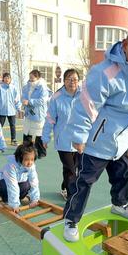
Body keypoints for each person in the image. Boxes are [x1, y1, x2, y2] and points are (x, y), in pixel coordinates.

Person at [62, 19, 128, 242]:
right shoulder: (105, 73)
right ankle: (71, 219)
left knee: (124, 171)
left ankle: (119, 204)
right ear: (126, 45)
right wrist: (79, 136)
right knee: (84, 181)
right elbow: (85, 105)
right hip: (98, 142)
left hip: (121, 141)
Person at [42, 69, 81, 201]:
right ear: (64, 81)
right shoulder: (56, 97)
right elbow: (50, 119)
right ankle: (71, 195)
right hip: (63, 140)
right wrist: (45, 137)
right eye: (69, 79)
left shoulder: (83, 95)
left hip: (80, 140)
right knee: (70, 169)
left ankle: (65, 187)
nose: (72, 82)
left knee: (74, 168)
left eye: (75, 79)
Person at [0, 141, 40, 213]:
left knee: (27, 185)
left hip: (19, 182)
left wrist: (35, 199)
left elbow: (34, 182)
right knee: (3, 186)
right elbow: (12, 185)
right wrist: (14, 205)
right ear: (19, 158)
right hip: (5, 183)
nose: (30, 162)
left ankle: (21, 197)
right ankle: (6, 200)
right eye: (26, 159)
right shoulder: (11, 166)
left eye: (32, 159)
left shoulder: (31, 166)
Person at [21, 69, 50, 159]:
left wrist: (29, 102)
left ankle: (41, 152)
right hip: (29, 113)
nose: (31, 80)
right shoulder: (26, 86)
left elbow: (42, 100)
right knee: (27, 132)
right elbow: (23, 96)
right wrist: (23, 101)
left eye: (32, 78)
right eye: (30, 78)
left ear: (38, 78)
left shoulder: (43, 87)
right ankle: (26, 151)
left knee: (39, 134)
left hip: (38, 114)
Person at [0, 72, 21, 146]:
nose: (7, 79)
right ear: (3, 79)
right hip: (2, 110)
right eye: (5, 78)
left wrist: (19, 109)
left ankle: (13, 140)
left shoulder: (13, 88)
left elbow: (17, 99)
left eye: (8, 78)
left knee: (13, 125)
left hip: (12, 111)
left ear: (10, 79)